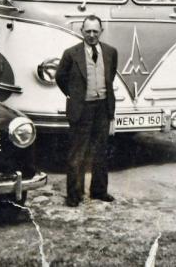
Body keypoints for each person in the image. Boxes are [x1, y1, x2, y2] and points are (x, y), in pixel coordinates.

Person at [55, 14, 118, 207]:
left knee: (101, 152)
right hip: (81, 109)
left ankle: (99, 191)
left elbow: (111, 75)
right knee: (77, 154)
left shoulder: (110, 52)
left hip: (103, 108)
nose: (91, 35)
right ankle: (74, 195)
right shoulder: (71, 53)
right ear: (81, 31)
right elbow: (60, 77)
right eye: (88, 31)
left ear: (101, 32)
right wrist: (75, 95)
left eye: (95, 31)